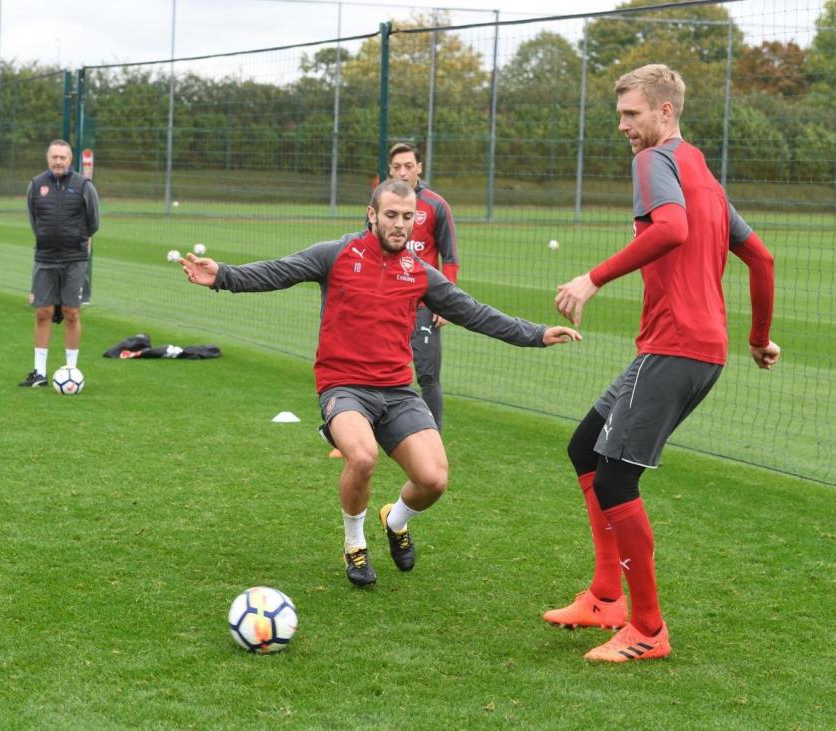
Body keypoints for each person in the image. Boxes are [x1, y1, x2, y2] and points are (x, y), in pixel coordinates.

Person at [180, 179, 580, 587]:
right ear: (372, 215)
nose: (400, 225)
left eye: (408, 217)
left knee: (434, 479)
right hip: (344, 387)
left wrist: (535, 333)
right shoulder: (336, 254)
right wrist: (223, 275)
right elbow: (278, 271)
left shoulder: (420, 273)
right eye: (391, 215)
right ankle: (355, 544)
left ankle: (396, 518)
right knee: (363, 456)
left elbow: (472, 312)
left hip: (397, 391)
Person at [547, 64, 780, 663]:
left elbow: (671, 229)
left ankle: (647, 629)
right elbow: (761, 259)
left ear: (665, 112)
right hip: (694, 350)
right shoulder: (703, 173)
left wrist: (592, 278)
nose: (623, 125)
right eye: (621, 114)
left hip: (676, 347)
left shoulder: (653, 162)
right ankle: (605, 597)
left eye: (632, 114)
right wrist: (758, 338)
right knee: (585, 448)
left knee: (617, 477)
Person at [387, 142, 458, 432]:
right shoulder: (382, 203)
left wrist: (446, 303)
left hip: (424, 306)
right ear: (389, 170)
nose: (402, 173)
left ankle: (432, 438)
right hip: (387, 302)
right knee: (378, 369)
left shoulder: (436, 205)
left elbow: (450, 257)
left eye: (408, 166)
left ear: (419, 168)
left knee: (428, 377)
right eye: (396, 167)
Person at [19, 139, 100, 387]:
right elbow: (34, 220)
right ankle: (40, 372)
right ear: (47, 158)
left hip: (74, 259)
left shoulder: (83, 186)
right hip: (44, 257)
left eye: (62, 157)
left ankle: (70, 371)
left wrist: (76, 242)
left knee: (71, 313)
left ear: (70, 160)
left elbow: (93, 222)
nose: (58, 161)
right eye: (54, 157)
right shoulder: (36, 185)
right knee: (43, 312)